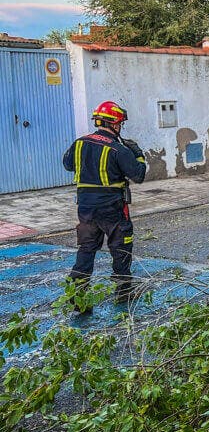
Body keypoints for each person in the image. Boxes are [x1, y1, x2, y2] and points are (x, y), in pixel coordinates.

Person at [62, 101, 147, 310]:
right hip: (112, 208)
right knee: (121, 248)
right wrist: (138, 154)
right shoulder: (119, 149)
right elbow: (139, 175)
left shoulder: (79, 143)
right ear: (115, 124)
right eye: (120, 124)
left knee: (86, 248)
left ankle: (77, 296)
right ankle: (123, 293)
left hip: (85, 208)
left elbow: (67, 164)